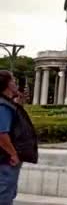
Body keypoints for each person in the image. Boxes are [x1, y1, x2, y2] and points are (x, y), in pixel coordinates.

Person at [0, 71, 38, 204]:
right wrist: (13, 154)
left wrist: (19, 101)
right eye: (14, 81)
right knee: (4, 194)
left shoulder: (7, 104)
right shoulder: (3, 106)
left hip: (6, 159)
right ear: (8, 84)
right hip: (6, 160)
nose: (16, 84)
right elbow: (2, 134)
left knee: (8, 192)